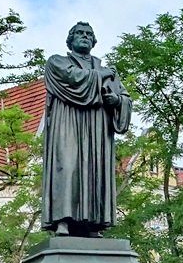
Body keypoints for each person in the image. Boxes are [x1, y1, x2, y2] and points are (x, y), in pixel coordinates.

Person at [41, 22, 132, 237]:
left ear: (94, 41)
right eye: (80, 33)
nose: (84, 36)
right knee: (67, 167)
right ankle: (63, 220)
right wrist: (100, 76)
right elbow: (73, 79)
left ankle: (94, 223)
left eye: (89, 34)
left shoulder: (105, 70)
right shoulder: (57, 62)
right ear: (70, 39)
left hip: (97, 129)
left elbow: (125, 98)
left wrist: (116, 99)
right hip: (68, 124)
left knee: (94, 170)